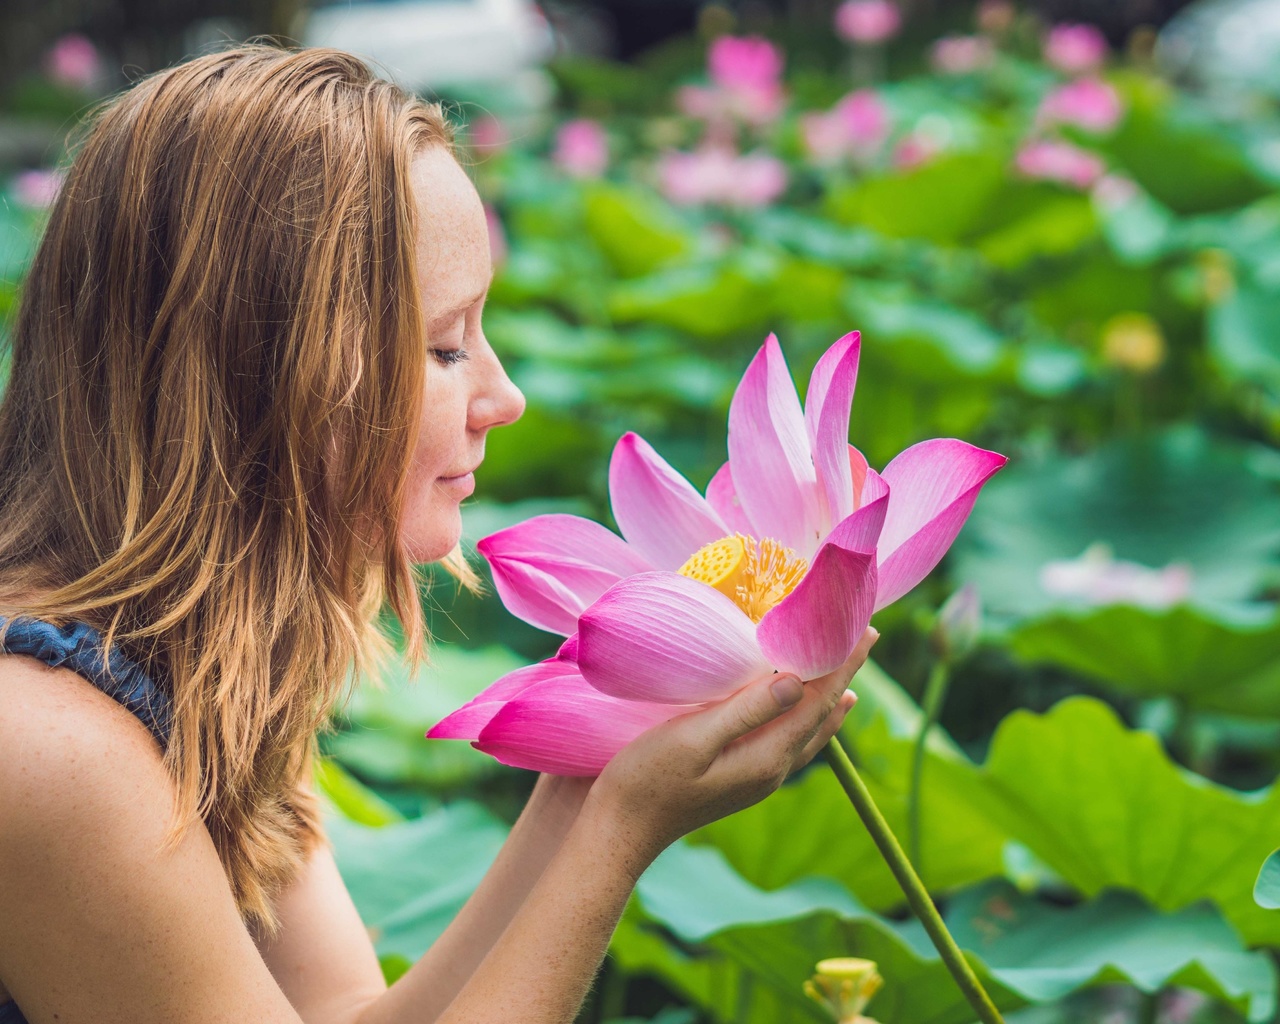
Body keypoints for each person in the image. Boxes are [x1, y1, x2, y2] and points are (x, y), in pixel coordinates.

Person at [0, 44, 873, 1023]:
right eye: (446, 344)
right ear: (267, 376)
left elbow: (347, 1017)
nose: (505, 396)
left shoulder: (206, 674)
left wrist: (584, 783)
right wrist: (623, 829)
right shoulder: (45, 742)